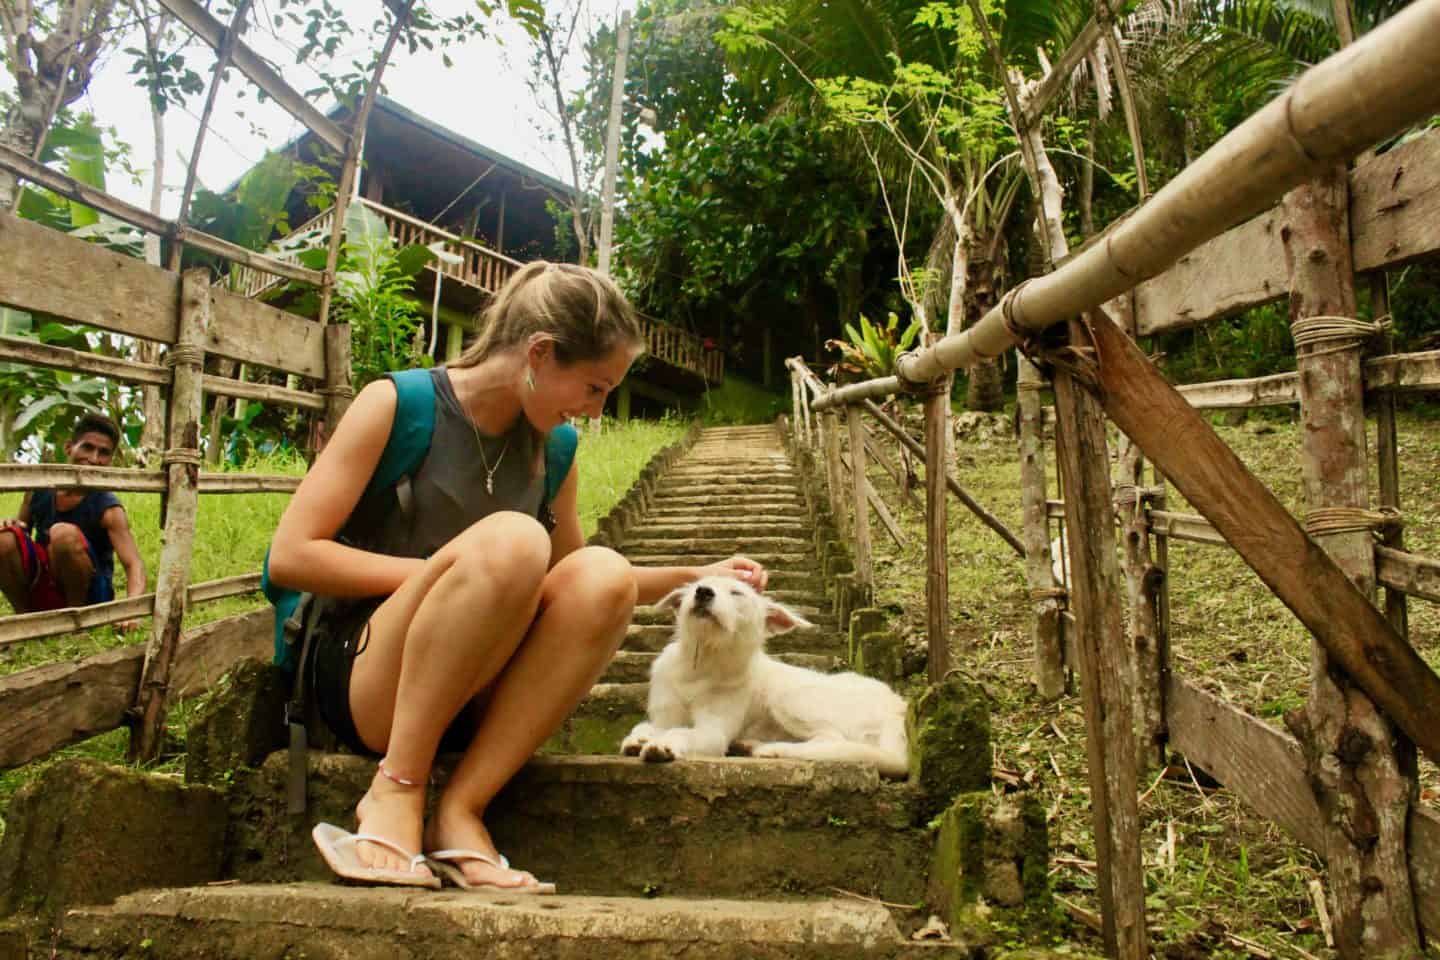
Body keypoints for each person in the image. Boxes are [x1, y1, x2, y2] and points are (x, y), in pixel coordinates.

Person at [265, 261, 767, 893]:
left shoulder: (555, 448)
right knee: (514, 542)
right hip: (366, 677)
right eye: (593, 387)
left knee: (602, 573)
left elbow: (574, 584)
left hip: (474, 688)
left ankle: (461, 810)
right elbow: (291, 555)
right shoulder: (400, 404)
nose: (596, 410)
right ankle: (396, 788)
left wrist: (700, 572)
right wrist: (448, 575)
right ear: (539, 352)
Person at [0, 412, 147, 626]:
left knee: (63, 534)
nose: (94, 459)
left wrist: (131, 612)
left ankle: (73, 622)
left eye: (103, 453)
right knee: (4, 538)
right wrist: (10, 526)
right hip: (45, 584)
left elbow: (134, 564)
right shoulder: (38, 491)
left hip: (91, 597)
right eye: (87, 447)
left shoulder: (108, 507)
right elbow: (21, 534)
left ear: (110, 460)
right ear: (69, 448)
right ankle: (26, 619)